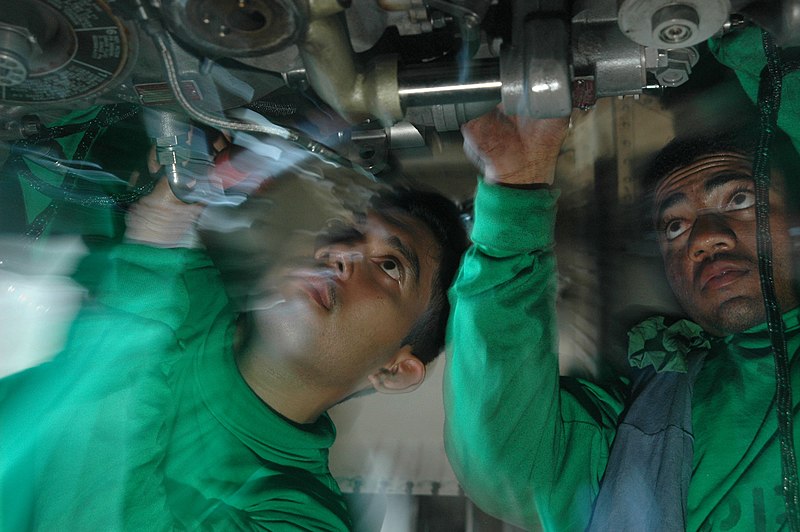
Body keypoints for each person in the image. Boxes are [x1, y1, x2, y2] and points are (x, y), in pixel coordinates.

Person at [0, 121, 469, 530]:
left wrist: (154, 241)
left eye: (389, 267)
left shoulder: (299, 518)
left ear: (393, 370)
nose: (340, 252)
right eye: (348, 231)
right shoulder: (180, 279)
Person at [443, 61, 800, 532]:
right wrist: (516, 188)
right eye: (675, 226)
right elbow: (509, 462)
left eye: (739, 199)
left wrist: (753, 40)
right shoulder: (649, 405)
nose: (705, 238)